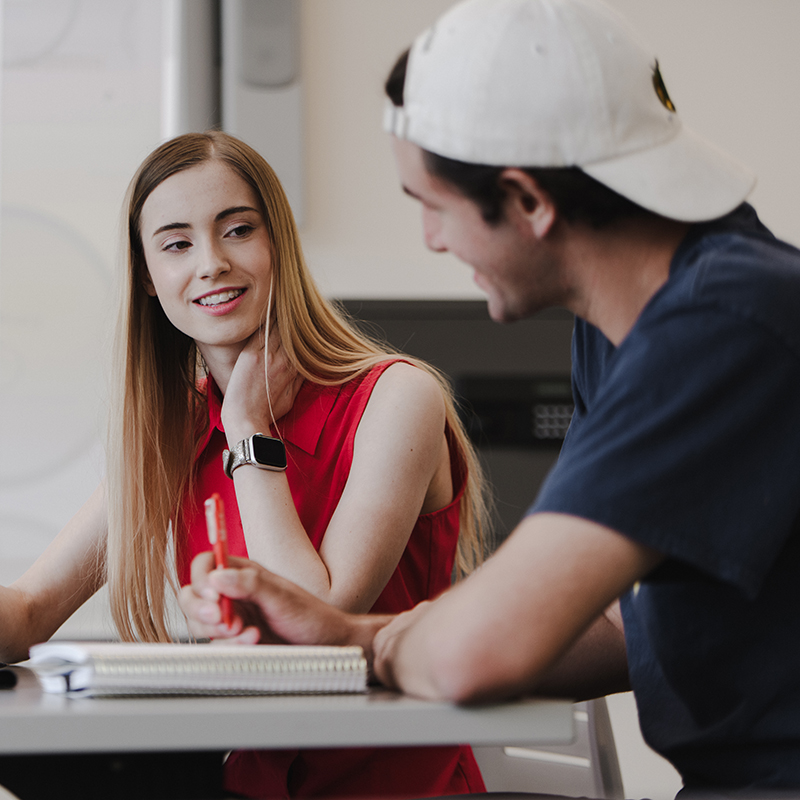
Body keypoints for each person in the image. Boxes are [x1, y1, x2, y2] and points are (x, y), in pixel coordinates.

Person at [180, 0, 800, 795]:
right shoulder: (625, 327)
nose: (432, 240)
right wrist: (351, 636)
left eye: (432, 206)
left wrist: (386, 645)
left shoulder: (723, 325)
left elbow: (483, 654)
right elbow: (612, 624)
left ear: (529, 201)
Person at [0, 131, 493, 798]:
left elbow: (319, 622)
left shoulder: (397, 397)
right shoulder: (171, 427)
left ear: (278, 245)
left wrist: (248, 432)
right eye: (176, 244)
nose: (211, 263)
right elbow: (31, 610)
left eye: (236, 231)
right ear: (148, 276)